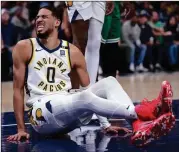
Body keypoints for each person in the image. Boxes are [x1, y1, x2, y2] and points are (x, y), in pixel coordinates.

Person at [7, 6, 175, 147]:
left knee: (109, 82)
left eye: (44, 17)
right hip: (41, 114)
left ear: (57, 22)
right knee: (83, 96)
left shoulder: (72, 51)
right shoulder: (24, 47)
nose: (38, 20)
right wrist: (21, 129)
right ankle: (143, 112)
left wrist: (105, 124)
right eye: (37, 17)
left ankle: (138, 126)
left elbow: (89, 91)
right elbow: (17, 90)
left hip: (69, 114)